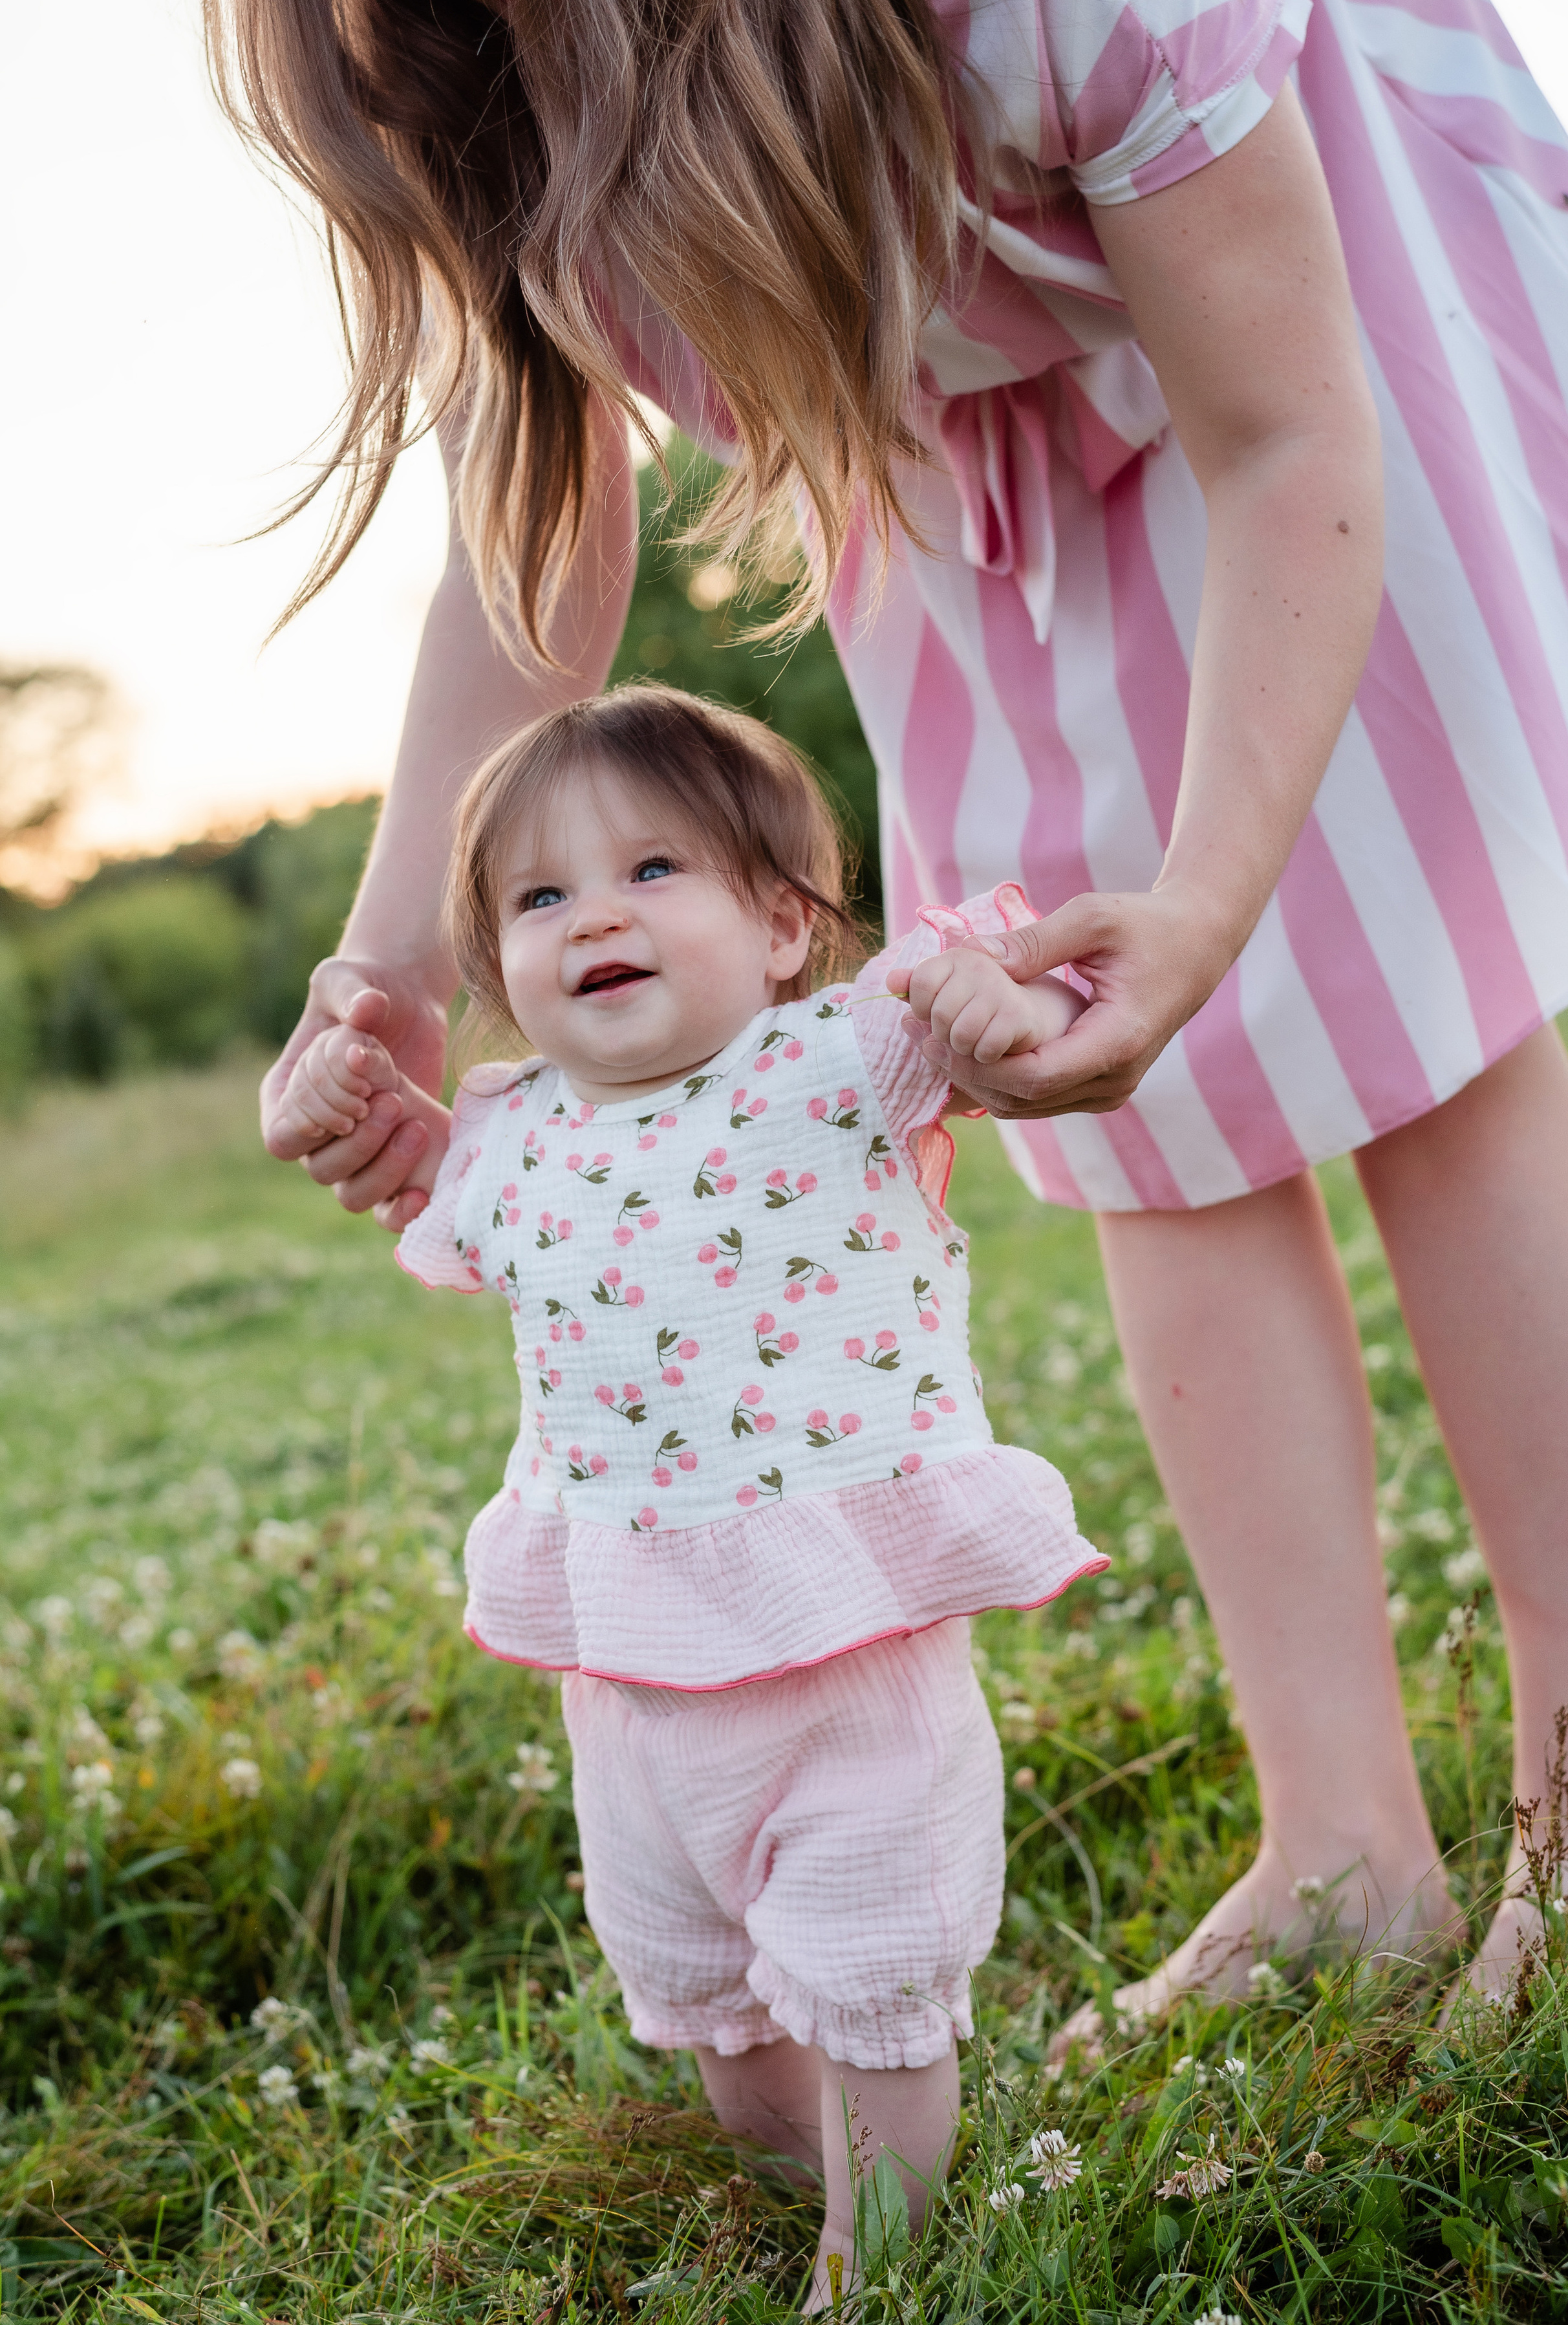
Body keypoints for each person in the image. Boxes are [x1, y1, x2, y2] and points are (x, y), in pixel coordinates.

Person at [213, 0, 1568, 2021]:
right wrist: (393, 959)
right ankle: (1349, 1840)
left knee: (1411, 1010)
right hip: (975, 449)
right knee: (1107, 1090)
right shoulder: (502, 82)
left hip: (1301, 353)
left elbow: (1279, 429)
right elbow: (533, 546)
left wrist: (1205, 899)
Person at [275, 684, 1106, 2293]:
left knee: (870, 1963)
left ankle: (886, 2252)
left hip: (842, 1650)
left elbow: (1031, 987)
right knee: (703, 1990)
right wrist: (340, 1091)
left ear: (787, 927)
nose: (592, 914)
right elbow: (389, 1150)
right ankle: (793, 2185)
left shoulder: (848, 1054)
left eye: (653, 871)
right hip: (633, 1672)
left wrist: (991, 996)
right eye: (537, 897)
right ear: (503, 966)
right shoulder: (508, 1137)